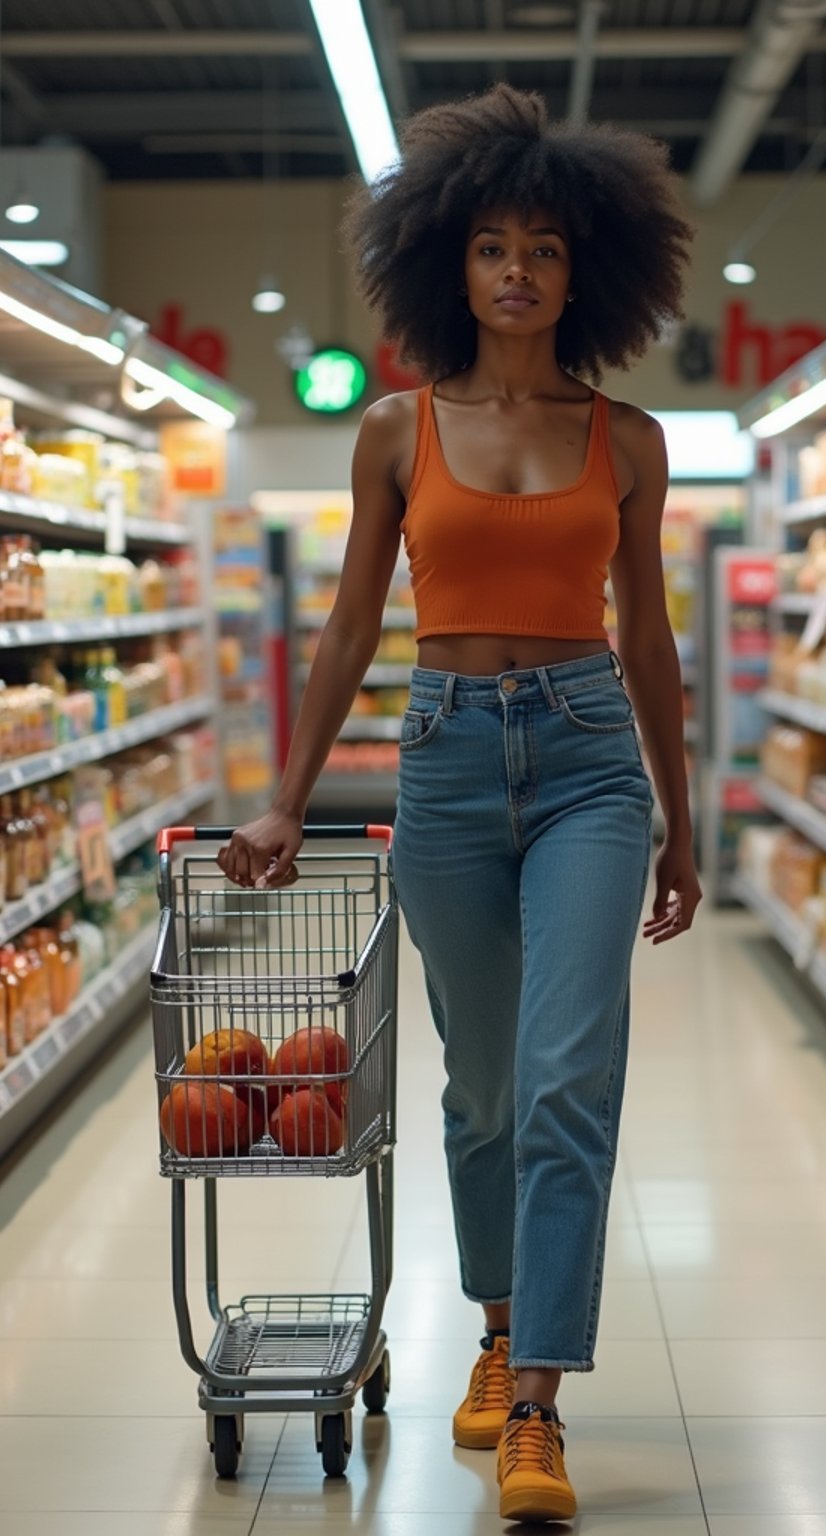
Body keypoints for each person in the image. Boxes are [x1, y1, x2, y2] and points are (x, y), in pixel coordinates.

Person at [217, 82, 700, 1525]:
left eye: (544, 249)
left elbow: (655, 641)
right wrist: (284, 800)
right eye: (492, 245)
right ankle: (495, 1326)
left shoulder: (625, 440)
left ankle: (538, 1400)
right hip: (440, 762)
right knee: (482, 1090)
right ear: (450, 262)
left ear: (585, 271)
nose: (516, 272)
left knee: (566, 1078)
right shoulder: (391, 431)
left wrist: (682, 816)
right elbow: (350, 630)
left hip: (589, 763)